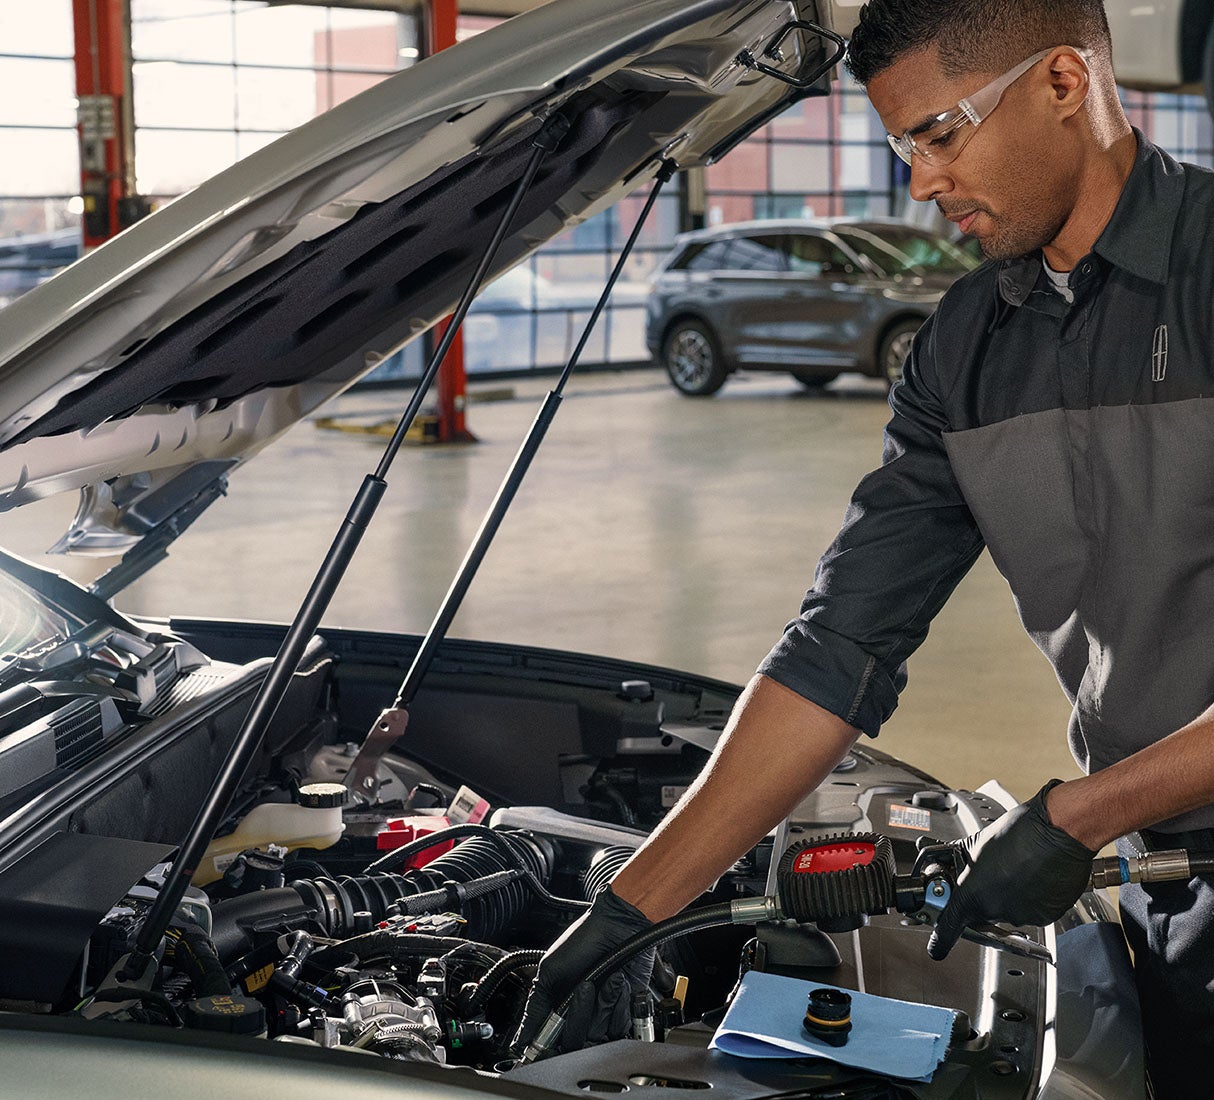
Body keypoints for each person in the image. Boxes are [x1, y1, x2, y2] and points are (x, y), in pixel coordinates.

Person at [514, 1, 1214, 1091]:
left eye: (939, 132)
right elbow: (837, 648)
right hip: (1167, 879)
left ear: (1063, 83)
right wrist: (629, 908)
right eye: (902, 147)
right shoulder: (963, 352)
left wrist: (1080, 814)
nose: (922, 181)